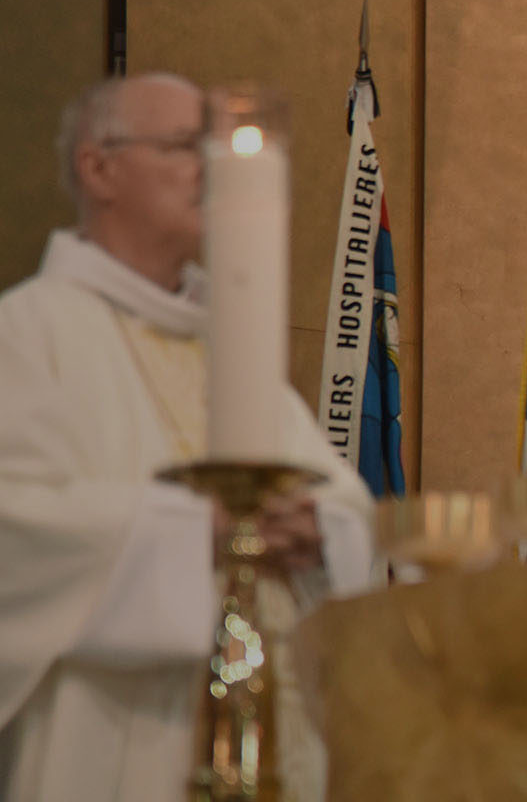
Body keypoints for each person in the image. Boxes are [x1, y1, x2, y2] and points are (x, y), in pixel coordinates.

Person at [0, 73, 375, 801]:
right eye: (182, 146)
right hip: (117, 743)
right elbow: (14, 529)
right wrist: (196, 531)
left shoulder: (230, 347)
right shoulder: (28, 331)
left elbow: (345, 503)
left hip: (276, 731)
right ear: (98, 167)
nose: (212, 168)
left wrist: (319, 531)